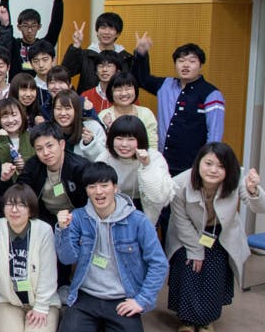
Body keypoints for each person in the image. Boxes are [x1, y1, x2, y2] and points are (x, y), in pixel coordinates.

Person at [54, 161, 169, 332]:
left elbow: (159, 264)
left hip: (121, 298)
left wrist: (142, 301)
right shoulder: (78, 218)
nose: (98, 192)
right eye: (92, 186)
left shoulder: (138, 221)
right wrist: (63, 230)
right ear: (86, 191)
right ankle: (97, 325)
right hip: (86, 295)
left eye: (104, 185)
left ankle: (106, 326)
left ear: (115, 188)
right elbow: (67, 259)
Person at [165, 143, 265, 332]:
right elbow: (181, 221)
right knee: (189, 265)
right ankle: (186, 319)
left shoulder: (237, 179)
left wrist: (253, 190)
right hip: (187, 234)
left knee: (214, 269)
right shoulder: (180, 183)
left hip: (221, 233)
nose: (213, 170)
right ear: (198, 163)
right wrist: (195, 251)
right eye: (208, 163)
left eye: (221, 166)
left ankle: (207, 321)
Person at [0, 184, 60, 332]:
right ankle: (11, 319)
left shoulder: (43, 230)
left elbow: (48, 272)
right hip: (8, 300)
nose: (14, 210)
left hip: (41, 299)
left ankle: (49, 317)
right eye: (10, 204)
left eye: (21, 205)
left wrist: (41, 307)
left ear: (31, 209)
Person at [132, 36, 224, 177]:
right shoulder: (166, 85)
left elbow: (215, 135)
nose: (185, 65)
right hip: (163, 161)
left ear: (200, 65)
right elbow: (140, 79)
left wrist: (208, 164)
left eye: (192, 61)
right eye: (181, 61)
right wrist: (141, 53)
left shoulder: (212, 94)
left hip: (193, 165)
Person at [90, 115, 173, 224]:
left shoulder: (154, 157)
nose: (124, 144)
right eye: (119, 138)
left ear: (141, 140)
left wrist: (147, 166)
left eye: (131, 139)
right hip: (112, 209)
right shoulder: (105, 158)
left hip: (145, 208)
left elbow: (159, 198)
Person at [61, 13, 134, 94]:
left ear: (118, 33)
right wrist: (76, 45)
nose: (106, 32)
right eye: (103, 27)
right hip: (88, 100)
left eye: (111, 28)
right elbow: (65, 73)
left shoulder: (126, 58)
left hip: (118, 100)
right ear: (97, 31)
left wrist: (141, 55)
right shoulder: (86, 55)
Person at [98, 72, 159, 149]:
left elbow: (152, 145)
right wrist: (108, 129)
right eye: (118, 89)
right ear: (111, 93)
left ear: (135, 90)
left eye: (128, 89)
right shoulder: (103, 115)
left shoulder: (146, 113)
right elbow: (100, 147)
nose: (124, 93)